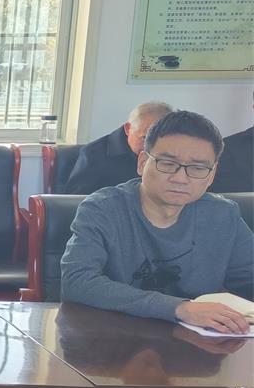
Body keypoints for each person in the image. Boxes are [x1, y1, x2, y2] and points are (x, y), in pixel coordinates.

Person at [61, 109, 253, 332]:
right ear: (143, 162)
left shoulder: (223, 214)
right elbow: (77, 281)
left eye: (197, 168)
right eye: (167, 164)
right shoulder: (103, 209)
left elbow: (249, 278)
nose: (180, 178)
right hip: (113, 338)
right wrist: (179, 308)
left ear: (212, 174)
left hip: (197, 344)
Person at [60, 101, 173, 194]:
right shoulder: (94, 154)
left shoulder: (175, 154)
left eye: (160, 140)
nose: (151, 147)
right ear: (128, 129)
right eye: (144, 138)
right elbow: (74, 202)